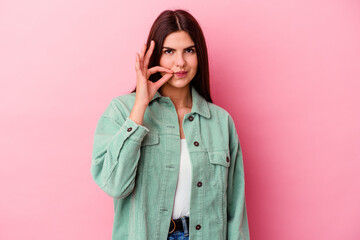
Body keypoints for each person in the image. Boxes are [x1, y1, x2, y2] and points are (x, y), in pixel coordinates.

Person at [91, 9, 250, 240]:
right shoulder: (122, 110)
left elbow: (236, 212)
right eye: (169, 51)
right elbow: (114, 185)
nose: (180, 62)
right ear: (155, 56)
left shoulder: (221, 122)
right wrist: (140, 106)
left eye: (189, 50)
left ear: (199, 55)